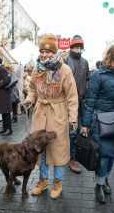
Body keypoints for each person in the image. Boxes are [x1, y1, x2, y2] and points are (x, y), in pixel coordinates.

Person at [24, 34, 78, 199]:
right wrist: (29, 99)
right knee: (40, 150)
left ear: (53, 52)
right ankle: (43, 180)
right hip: (40, 113)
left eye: (48, 51)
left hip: (58, 113)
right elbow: (32, 88)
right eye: (42, 51)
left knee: (58, 149)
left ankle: (57, 181)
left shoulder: (64, 69)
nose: (45, 54)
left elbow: (72, 96)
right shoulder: (37, 68)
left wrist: (73, 119)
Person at [81, 43, 114, 203]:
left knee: (113, 155)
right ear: (111, 57)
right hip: (101, 121)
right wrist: (86, 124)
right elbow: (90, 99)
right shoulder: (99, 75)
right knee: (104, 155)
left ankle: (105, 179)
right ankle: (99, 185)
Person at [63, 35, 89, 174]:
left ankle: (73, 157)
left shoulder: (85, 62)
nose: (78, 49)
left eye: (80, 47)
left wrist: (86, 91)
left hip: (82, 102)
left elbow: (87, 79)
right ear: (71, 47)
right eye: (75, 47)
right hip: (68, 102)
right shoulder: (65, 60)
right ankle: (69, 157)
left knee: (78, 131)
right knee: (69, 131)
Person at [0, 57, 13, 136]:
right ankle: (5, 128)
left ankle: (9, 129)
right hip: (2, 94)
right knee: (4, 113)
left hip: (4, 94)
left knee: (6, 113)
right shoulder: (1, 68)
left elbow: (6, 80)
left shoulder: (1, 69)